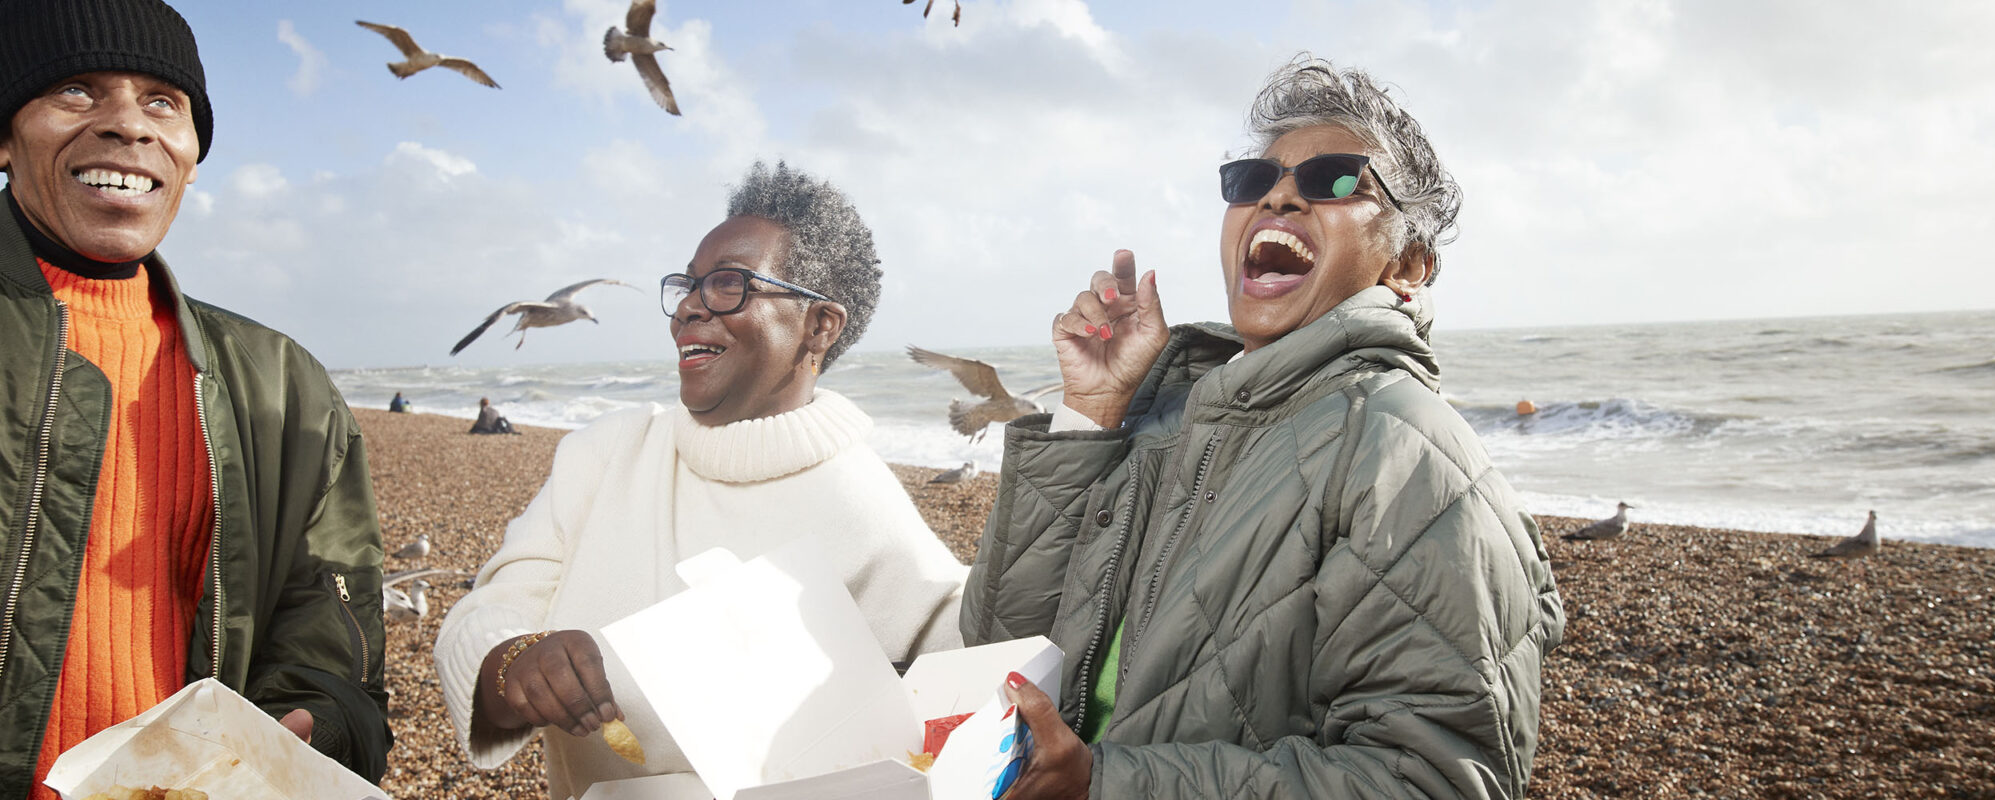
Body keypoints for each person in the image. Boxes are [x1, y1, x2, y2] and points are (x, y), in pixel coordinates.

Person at [963, 57, 1565, 799]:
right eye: (1252, 180)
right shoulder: (1167, 414)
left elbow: (1433, 781)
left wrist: (1103, 786)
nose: (1280, 194)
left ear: (1407, 264)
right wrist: (1093, 413)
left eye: (1337, 179)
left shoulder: (1407, 453)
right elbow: (997, 656)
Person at [435, 161, 967, 800]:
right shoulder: (607, 455)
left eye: (727, 286)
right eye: (687, 285)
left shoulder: (872, 514)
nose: (687, 307)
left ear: (820, 325)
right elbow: (485, 616)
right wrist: (511, 664)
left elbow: (961, 720)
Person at [0, 1, 392, 795]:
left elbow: (328, 624)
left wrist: (317, 720)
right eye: (77, 90)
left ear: (191, 153)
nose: (129, 127)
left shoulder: (283, 386)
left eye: (162, 102)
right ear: (5, 137)